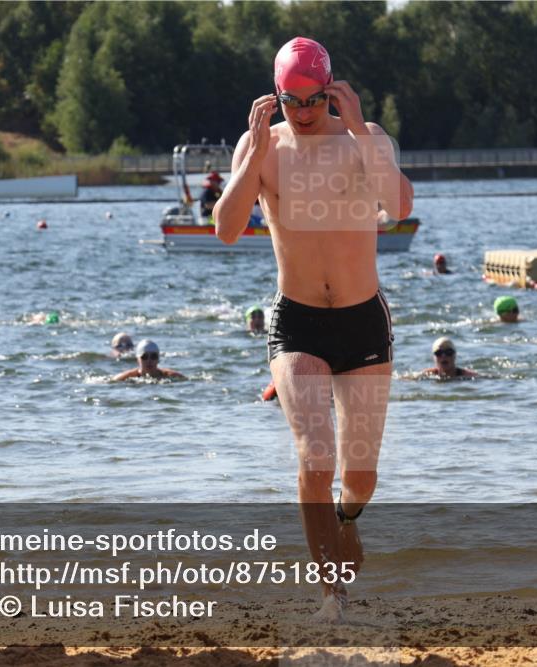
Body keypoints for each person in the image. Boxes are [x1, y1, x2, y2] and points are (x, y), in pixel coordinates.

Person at [214, 36, 413, 622]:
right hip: (296, 320)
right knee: (316, 456)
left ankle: (348, 520)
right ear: (275, 96)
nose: (302, 112)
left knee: (360, 475)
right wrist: (250, 156)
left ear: (332, 90)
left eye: (314, 99)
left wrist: (356, 130)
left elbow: (399, 206)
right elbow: (226, 230)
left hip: (362, 318)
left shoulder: (365, 139)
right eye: (291, 100)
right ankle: (332, 592)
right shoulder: (262, 147)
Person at [112, 339, 185, 381]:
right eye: (144, 357)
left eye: (153, 356)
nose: (149, 360)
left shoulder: (170, 375)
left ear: (158, 359)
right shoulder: (127, 377)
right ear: (138, 359)